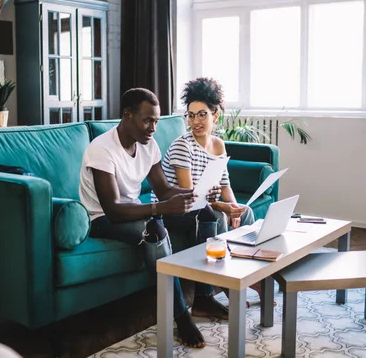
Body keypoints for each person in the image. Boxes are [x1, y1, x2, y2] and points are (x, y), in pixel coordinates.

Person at [79, 88, 221, 349]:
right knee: (154, 229)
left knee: (206, 213)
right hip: (102, 219)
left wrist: (195, 193)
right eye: (147, 120)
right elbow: (113, 209)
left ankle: (203, 295)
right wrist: (160, 209)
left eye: (156, 121)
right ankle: (181, 316)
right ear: (127, 115)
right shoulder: (101, 149)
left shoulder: (149, 145)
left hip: (132, 211)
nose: (153, 127)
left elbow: (164, 190)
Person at [157, 77, 265, 306]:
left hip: (202, 205)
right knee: (216, 217)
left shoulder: (218, 145)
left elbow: (225, 186)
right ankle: (220, 287)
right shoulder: (181, 146)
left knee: (246, 213)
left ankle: (245, 277)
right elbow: (189, 196)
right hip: (177, 209)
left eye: (202, 114)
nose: (195, 121)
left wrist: (234, 207)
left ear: (215, 115)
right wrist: (221, 207)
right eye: (191, 114)